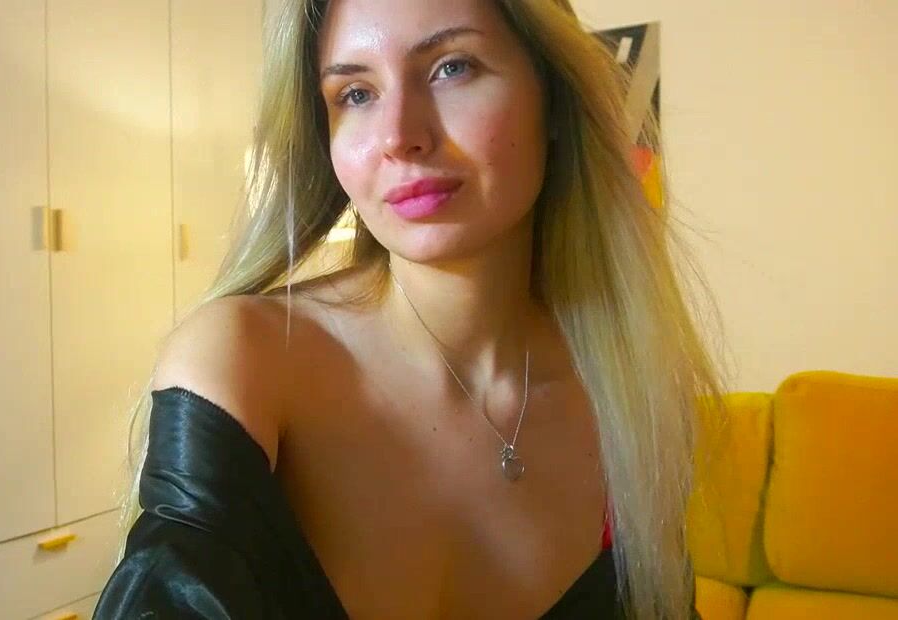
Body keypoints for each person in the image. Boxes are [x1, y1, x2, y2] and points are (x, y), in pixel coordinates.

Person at [94, 0, 722, 617]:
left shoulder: (629, 395)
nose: (399, 138)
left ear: (553, 98)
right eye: (355, 94)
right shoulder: (247, 359)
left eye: (453, 67)